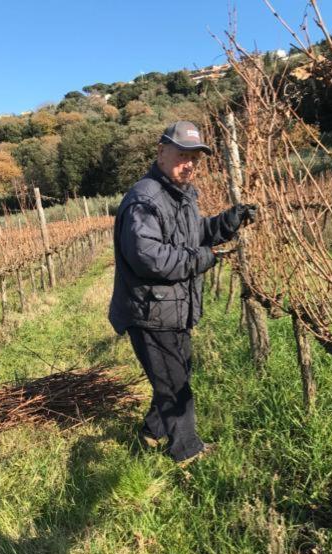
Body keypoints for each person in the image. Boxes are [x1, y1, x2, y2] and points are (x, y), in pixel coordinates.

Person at [109, 120, 256, 464]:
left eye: (195, 157)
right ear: (161, 152)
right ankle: (187, 450)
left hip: (172, 307)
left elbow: (193, 234)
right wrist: (202, 259)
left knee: (176, 372)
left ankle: (151, 433)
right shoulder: (144, 200)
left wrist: (227, 223)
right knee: (174, 384)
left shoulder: (181, 194)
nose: (189, 163)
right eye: (182, 155)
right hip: (150, 310)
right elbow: (149, 257)